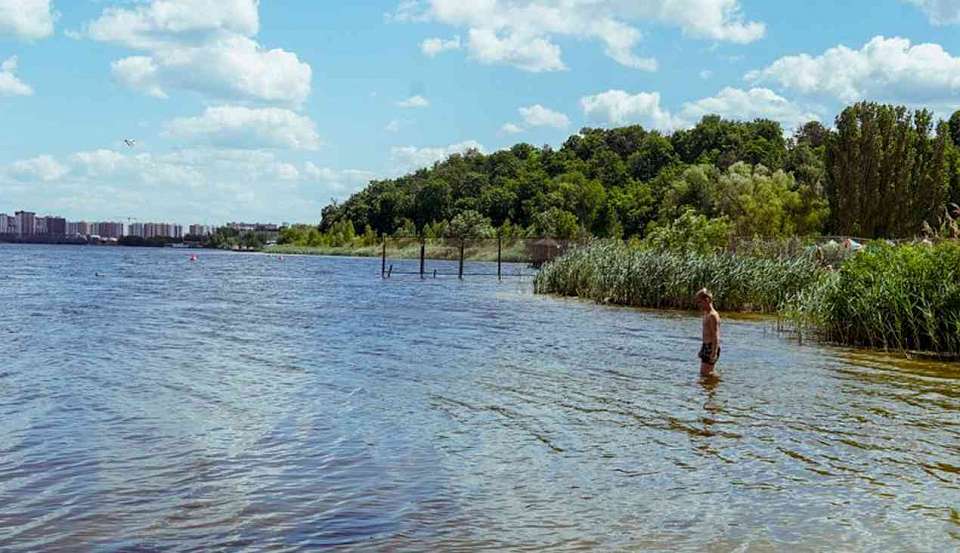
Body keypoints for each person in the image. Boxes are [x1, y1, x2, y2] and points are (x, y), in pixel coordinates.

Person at [695, 288, 721, 378]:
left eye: (700, 302)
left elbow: (716, 335)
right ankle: (711, 387)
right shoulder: (706, 313)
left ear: (707, 300)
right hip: (706, 346)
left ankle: (719, 382)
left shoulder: (713, 315)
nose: (699, 305)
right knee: (704, 374)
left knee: (706, 373)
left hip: (711, 347)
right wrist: (702, 349)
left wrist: (713, 352)